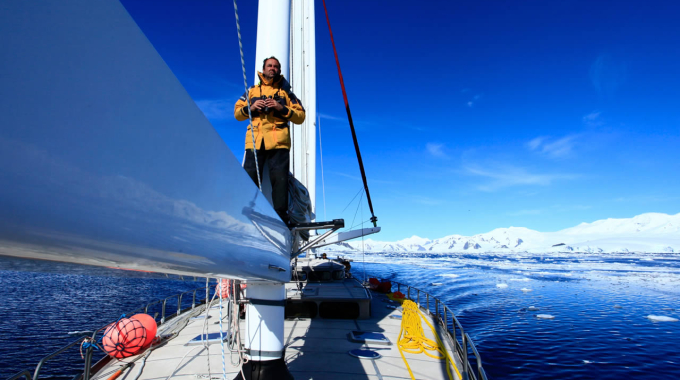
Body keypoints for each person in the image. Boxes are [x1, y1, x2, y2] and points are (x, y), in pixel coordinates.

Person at [234, 56, 306, 225]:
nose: (272, 68)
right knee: (249, 177)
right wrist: (251, 108)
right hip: (255, 141)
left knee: (279, 180)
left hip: (279, 142)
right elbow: (237, 113)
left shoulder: (286, 94)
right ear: (264, 68)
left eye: (275, 66)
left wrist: (281, 108)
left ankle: (281, 217)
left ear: (279, 70)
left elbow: (301, 116)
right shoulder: (251, 91)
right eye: (269, 66)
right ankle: (245, 211)